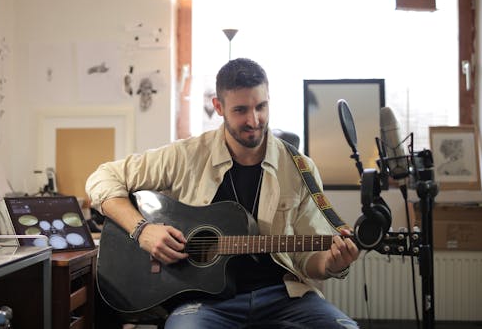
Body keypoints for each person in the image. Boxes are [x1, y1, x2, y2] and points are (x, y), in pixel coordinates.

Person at [86, 58, 360, 328]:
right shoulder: (186, 155)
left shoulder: (301, 169)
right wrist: (142, 230)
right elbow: (102, 178)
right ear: (218, 106)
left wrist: (332, 263)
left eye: (261, 107)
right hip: (203, 303)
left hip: (283, 295)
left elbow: (308, 257)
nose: (254, 120)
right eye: (241, 110)